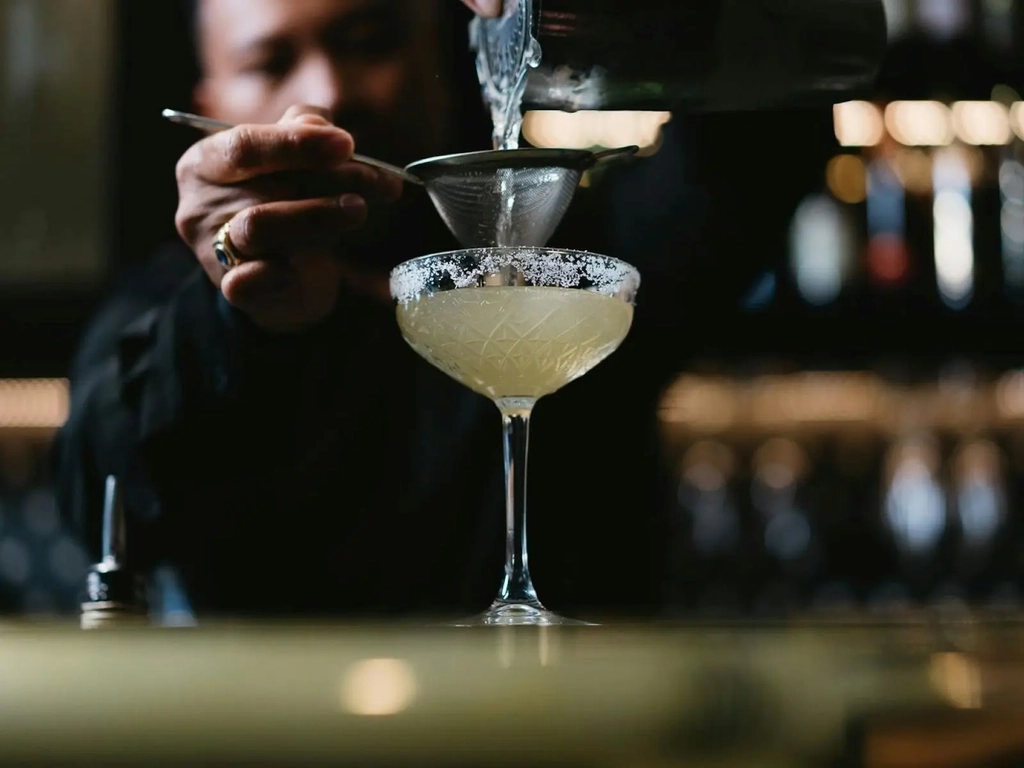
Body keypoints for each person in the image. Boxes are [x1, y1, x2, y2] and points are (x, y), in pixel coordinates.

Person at [54, 0, 713, 621]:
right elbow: (103, 499)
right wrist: (242, 317)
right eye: (271, 63)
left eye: (370, 43)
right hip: (278, 735)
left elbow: (744, 152)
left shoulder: (589, 262)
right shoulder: (167, 304)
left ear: (443, 55)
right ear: (212, 106)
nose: (329, 92)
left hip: (573, 724)